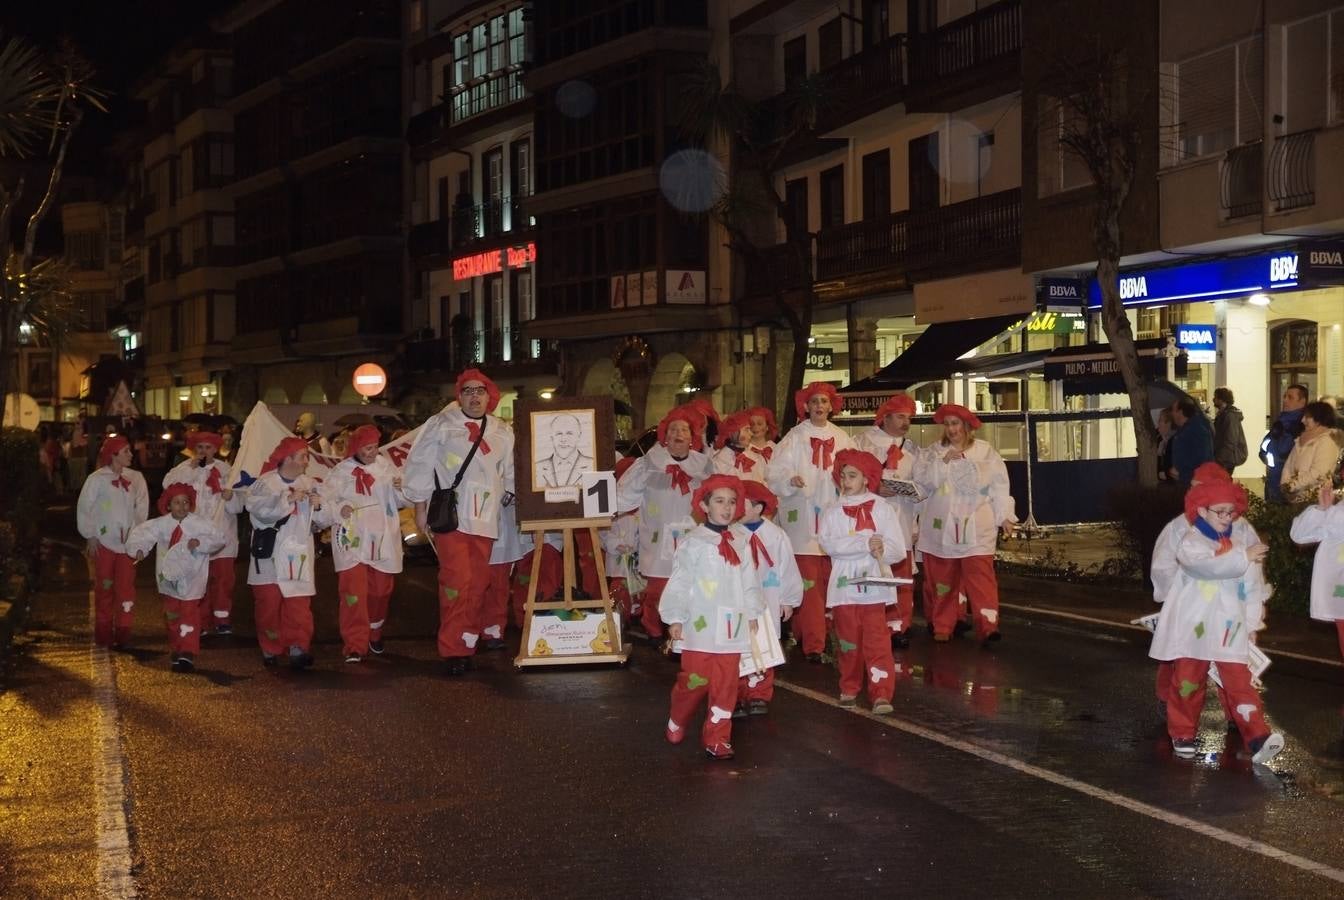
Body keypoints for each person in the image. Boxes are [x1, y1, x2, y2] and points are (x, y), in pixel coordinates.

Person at [1147, 477, 1283, 766]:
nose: (1226, 517)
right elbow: (1205, 566)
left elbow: (1250, 586)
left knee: (1239, 682)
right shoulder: (1191, 541)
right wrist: (1241, 556)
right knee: (1187, 681)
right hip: (1192, 626)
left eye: (1230, 512)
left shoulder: (1239, 542)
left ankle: (1258, 736)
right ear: (1202, 510)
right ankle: (1182, 732)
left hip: (1228, 627)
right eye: (1219, 511)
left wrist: (1251, 624)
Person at [403, 369, 516, 676]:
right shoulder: (441, 425)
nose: (474, 396)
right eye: (468, 391)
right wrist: (419, 505)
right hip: (452, 516)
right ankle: (453, 648)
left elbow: (512, 471)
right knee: (457, 581)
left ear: (489, 395)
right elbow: (419, 464)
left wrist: (512, 495)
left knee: (479, 583)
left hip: (486, 519)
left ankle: (467, 639)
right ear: (459, 395)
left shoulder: (502, 431)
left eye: (480, 391)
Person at [660, 474, 764, 761]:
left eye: (732, 502)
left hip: (732, 626)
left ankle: (717, 738)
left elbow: (750, 580)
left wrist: (753, 612)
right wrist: (675, 617)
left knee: (726, 686)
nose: (727, 507)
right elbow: (680, 581)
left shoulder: (742, 540)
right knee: (695, 681)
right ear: (704, 506)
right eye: (719, 501)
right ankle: (678, 717)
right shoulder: (693, 543)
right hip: (700, 626)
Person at [913, 404, 1016, 645]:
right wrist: (944, 462)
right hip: (941, 530)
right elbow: (924, 483)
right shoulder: (933, 453)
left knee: (981, 582)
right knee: (943, 581)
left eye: (955, 424)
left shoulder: (985, 452)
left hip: (977, 530)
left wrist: (1005, 516)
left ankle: (988, 627)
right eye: (947, 424)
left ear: (967, 426)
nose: (951, 429)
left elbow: (999, 486)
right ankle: (942, 625)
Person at [765, 382, 854, 662]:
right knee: (808, 582)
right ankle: (814, 643)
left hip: (833, 516)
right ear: (805, 406)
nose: (819, 407)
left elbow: (856, 469)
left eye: (824, 402)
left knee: (828, 581)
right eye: (814, 401)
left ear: (831, 406)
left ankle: (813, 634)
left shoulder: (842, 438)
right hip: (803, 520)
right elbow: (774, 471)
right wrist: (790, 480)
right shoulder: (795, 437)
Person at [1149, 462, 1240, 723]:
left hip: (1225, 608)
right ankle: (1169, 702)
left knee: (1229, 659)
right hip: (1191, 607)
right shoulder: (1179, 527)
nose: (1193, 493)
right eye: (1193, 488)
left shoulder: (1238, 527)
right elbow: (1163, 563)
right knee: (1181, 657)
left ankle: (1236, 709)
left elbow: (1249, 566)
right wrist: (1171, 598)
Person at [819, 450, 906, 714]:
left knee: (877, 642)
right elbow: (828, 545)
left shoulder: (882, 508)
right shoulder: (832, 511)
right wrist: (863, 543)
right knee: (848, 641)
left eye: (852, 475)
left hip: (874, 589)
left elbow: (898, 550)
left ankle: (881, 693)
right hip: (845, 588)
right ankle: (849, 686)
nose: (846, 481)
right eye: (843, 475)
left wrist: (883, 547)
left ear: (867, 479)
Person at [615, 406, 712, 643]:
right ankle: (654, 628)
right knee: (659, 585)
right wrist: (605, 509)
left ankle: (689, 628)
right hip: (659, 533)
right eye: (673, 429)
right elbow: (625, 494)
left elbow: (717, 493)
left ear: (692, 437)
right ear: (665, 437)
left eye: (684, 429)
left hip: (692, 532)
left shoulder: (705, 464)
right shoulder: (649, 463)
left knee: (691, 582)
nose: (679, 433)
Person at [320, 425, 410, 663]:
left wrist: (402, 489)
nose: (372, 452)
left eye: (375, 447)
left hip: (382, 539)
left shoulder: (385, 467)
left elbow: (401, 500)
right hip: (352, 540)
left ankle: (374, 631)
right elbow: (326, 503)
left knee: (381, 592)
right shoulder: (340, 472)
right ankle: (354, 644)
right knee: (353, 593)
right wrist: (340, 509)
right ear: (356, 448)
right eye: (367, 448)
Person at [125, 483, 224, 672]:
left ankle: (188, 651)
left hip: (192, 578)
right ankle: (176, 647)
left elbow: (219, 538)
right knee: (172, 615)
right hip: (168, 578)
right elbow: (142, 534)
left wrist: (201, 542)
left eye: (186, 502)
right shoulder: (162, 524)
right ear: (168, 505)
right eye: (177, 502)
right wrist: (139, 549)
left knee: (189, 613)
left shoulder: (199, 524)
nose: (182, 506)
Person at [245, 436, 323, 669]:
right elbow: (257, 512)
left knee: (298, 605)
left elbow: (321, 520)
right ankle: (270, 647)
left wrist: (319, 506)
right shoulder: (264, 484)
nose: (307, 461)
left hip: (297, 554)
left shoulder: (309, 483)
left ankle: (298, 647)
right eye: (303, 456)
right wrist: (287, 499)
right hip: (269, 556)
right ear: (287, 458)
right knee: (268, 604)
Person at [853, 393, 925, 647]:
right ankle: (874, 624)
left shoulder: (913, 449)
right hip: (871, 517)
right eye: (900, 416)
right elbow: (849, 474)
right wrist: (873, 486)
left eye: (908, 417)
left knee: (901, 572)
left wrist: (913, 491)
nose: (906, 422)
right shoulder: (863, 442)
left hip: (902, 518)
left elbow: (923, 481)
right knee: (875, 570)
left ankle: (900, 626)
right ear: (885, 418)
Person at [162, 432, 245, 635]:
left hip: (222, 535)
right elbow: (168, 488)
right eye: (200, 447)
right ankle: (202, 620)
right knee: (199, 580)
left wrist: (231, 496)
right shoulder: (183, 469)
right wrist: (190, 470)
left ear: (215, 449)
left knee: (223, 580)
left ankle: (222, 618)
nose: (204, 452)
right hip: (195, 537)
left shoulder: (227, 471)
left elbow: (239, 506)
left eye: (208, 448)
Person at [735, 480, 802, 716]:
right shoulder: (731, 534)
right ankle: (736, 694)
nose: (734, 509)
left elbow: (787, 567)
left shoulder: (776, 535)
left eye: (740, 504)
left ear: (758, 508)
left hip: (768, 598)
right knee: (738, 644)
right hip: (740, 600)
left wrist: (788, 599)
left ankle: (759, 694)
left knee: (766, 643)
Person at [76, 436, 150, 647]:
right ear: (113, 455)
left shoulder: (136, 478)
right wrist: (90, 534)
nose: (131, 454)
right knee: (104, 588)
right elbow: (85, 507)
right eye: (126, 451)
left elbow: (141, 508)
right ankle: (103, 632)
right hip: (104, 543)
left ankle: (124, 632)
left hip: (127, 546)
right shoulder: (96, 479)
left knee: (126, 589)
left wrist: (135, 535)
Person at [1290, 483, 1344, 666]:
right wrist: (1321, 510)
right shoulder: (1336, 511)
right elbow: (1299, 535)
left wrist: (1329, 513)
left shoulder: (1335, 514)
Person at [1280, 401, 1340, 503]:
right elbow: (1288, 466)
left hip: (1315, 501)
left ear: (1319, 419)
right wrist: (1285, 485)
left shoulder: (1327, 441)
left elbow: (1319, 473)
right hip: (1295, 500)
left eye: (1307, 417)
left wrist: (1292, 486)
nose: (1303, 420)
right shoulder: (1301, 439)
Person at [1260, 384, 1308, 503]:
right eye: (1285, 396)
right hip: (1274, 478)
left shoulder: (1303, 424)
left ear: (1302, 401)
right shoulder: (1282, 421)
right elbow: (1266, 444)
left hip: (1289, 483)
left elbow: (1284, 450)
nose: (1285, 400)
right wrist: (1265, 455)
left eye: (1290, 397)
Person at [535, 413, 594, 487]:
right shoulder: (536, 469)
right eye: (559, 433)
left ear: (579, 436)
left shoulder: (593, 465)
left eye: (569, 433)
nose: (563, 439)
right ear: (551, 437)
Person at [1167, 398, 1214, 486]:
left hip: (1194, 483)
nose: (1172, 414)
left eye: (1173, 410)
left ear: (1180, 412)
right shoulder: (1185, 429)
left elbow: (1203, 459)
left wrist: (1182, 474)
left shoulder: (1197, 429)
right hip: (1187, 481)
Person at [712, 410, 764, 482]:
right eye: (746, 430)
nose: (751, 434)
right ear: (734, 432)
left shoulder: (754, 456)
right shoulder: (720, 461)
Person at [1211, 387, 1248, 475]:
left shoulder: (1229, 416)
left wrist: (1220, 459)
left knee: (1223, 483)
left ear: (1221, 399)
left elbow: (1230, 439)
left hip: (1227, 458)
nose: (1213, 399)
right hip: (1225, 457)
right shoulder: (1223, 414)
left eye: (1215, 397)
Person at [1155, 408, 1176, 483]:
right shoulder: (1158, 438)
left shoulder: (1175, 440)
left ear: (1169, 423)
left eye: (1161, 420)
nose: (1158, 423)